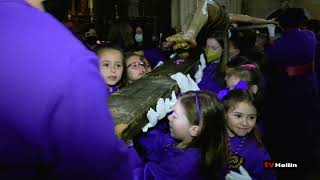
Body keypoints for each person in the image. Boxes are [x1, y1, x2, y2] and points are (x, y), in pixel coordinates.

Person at [0, 0, 131, 179]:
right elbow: (101, 166)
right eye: (106, 65)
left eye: (118, 65)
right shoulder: (70, 59)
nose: (113, 70)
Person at [263, 8, 319, 178]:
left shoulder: (280, 44)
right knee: (307, 122)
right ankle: (307, 162)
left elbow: (270, 58)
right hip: (309, 84)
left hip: (287, 87)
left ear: (281, 24)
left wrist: (271, 38)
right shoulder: (310, 36)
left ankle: (287, 164)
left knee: (288, 126)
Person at [129, 91, 228, 180]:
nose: (169, 117)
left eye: (175, 116)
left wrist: (127, 147)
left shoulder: (186, 164)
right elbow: (159, 143)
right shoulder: (190, 141)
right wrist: (151, 127)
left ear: (194, 130)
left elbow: (141, 176)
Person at [222, 90, 276, 180]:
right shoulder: (212, 138)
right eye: (238, 116)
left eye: (251, 117)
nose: (245, 123)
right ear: (224, 114)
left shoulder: (258, 153)